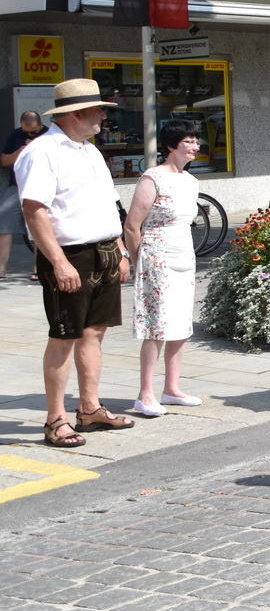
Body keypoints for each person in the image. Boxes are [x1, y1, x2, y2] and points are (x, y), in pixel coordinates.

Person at [15, 79, 134, 448]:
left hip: (103, 251)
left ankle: (89, 408)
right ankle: (55, 420)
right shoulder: (42, 151)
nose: (103, 115)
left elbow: (107, 203)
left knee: (95, 331)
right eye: (99, 109)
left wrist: (120, 249)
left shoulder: (89, 150)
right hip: (70, 255)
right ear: (75, 114)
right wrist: (58, 261)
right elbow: (34, 211)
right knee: (64, 336)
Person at [122, 119, 205, 417]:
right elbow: (132, 226)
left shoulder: (191, 181)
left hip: (184, 251)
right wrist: (138, 260)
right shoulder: (152, 177)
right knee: (157, 324)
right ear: (171, 146)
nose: (195, 146)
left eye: (196, 141)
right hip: (156, 253)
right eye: (188, 141)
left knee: (181, 322)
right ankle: (145, 394)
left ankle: (172, 388)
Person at [1, 109, 46, 279]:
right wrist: (20, 152)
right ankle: (1, 269)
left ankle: (37, 268)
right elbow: (4, 160)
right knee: (3, 222)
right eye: (26, 131)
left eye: (33, 131)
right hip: (18, 185)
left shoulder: (48, 135)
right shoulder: (15, 135)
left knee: (39, 225)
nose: (30, 134)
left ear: (40, 125)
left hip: (40, 185)